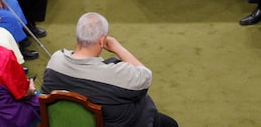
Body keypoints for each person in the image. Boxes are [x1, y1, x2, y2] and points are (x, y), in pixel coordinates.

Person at [43, 12, 178, 127]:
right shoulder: (115, 75)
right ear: (102, 41)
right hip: (119, 122)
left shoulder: (55, 61)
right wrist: (117, 47)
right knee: (170, 124)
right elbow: (145, 76)